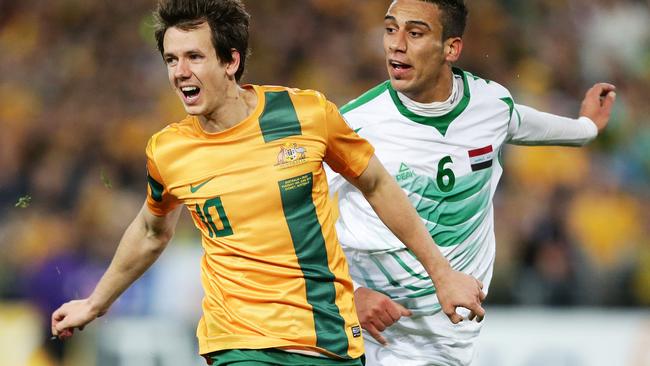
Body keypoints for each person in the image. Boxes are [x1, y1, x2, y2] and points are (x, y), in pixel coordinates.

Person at [50, 1, 487, 365]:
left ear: (231, 60)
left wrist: (441, 273)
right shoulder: (168, 151)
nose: (179, 72)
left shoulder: (306, 115)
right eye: (171, 59)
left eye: (194, 57)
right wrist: (95, 303)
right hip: (238, 344)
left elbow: (375, 184)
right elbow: (151, 230)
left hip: (329, 342)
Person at [327, 0, 617, 365]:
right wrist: (347, 295)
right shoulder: (353, 124)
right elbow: (291, 220)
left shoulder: (491, 105)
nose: (395, 44)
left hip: (449, 342)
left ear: (452, 48)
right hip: (368, 335)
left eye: (414, 33)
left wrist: (586, 128)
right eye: (389, 29)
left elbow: (526, 124)